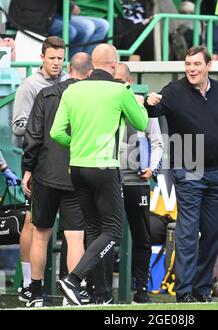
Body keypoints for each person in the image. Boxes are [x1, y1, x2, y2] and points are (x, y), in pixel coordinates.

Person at [146, 46, 218, 302]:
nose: (191, 69)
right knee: (188, 233)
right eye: (188, 64)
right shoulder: (174, 91)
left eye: (196, 64)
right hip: (188, 170)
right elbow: (154, 112)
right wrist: (149, 103)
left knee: (213, 233)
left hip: (217, 172)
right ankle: (184, 292)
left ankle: (202, 290)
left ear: (208, 66)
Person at [50, 43, 148, 306]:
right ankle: (74, 279)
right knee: (113, 230)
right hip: (105, 167)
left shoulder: (73, 89)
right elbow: (141, 124)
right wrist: (140, 104)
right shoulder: (120, 90)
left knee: (94, 230)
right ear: (114, 65)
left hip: (78, 168)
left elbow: (56, 133)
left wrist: (79, 144)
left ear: (92, 65)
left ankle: (102, 294)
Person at [21, 52, 93, 308]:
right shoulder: (91, 98)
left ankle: (35, 294)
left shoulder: (47, 94)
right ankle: (70, 295)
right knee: (75, 237)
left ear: (68, 68)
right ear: (90, 72)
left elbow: (33, 136)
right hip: (78, 176)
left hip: (46, 174)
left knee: (40, 235)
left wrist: (27, 169)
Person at [91, 63, 163, 304]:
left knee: (142, 235)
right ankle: (101, 291)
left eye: (121, 81)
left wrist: (152, 167)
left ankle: (140, 289)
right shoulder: (104, 105)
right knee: (108, 235)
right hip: (108, 178)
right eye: (113, 81)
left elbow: (157, 142)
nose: (117, 86)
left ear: (129, 82)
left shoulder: (142, 106)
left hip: (136, 181)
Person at [12, 36, 67, 303]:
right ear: (42, 58)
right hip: (36, 162)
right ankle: (26, 284)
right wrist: (44, 119)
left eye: (60, 58)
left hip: (61, 162)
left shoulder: (68, 83)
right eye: (52, 58)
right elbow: (18, 126)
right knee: (32, 224)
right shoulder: (29, 86)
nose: (56, 63)